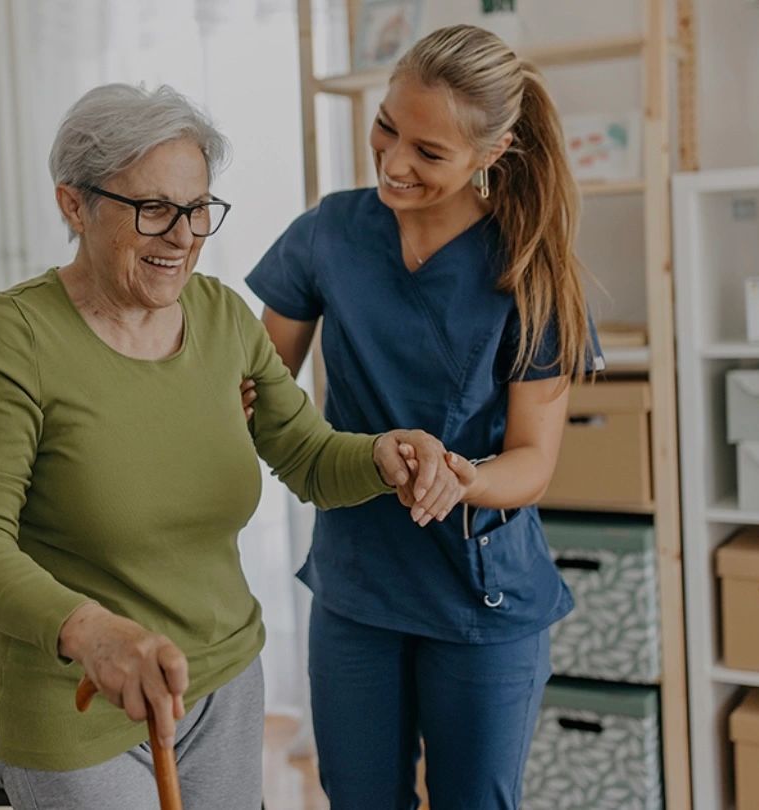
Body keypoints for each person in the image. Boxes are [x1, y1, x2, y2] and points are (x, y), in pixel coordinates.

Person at [0, 83, 464, 810]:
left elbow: (307, 456)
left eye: (197, 209)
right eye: (153, 209)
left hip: (224, 685)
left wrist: (384, 455)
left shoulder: (220, 316)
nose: (182, 236)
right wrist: (90, 633)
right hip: (79, 700)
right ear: (72, 205)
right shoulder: (15, 333)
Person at [244, 24, 604, 810]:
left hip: (481, 597)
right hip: (357, 587)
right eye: (386, 127)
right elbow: (259, 387)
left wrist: (461, 477)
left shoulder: (529, 268)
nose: (394, 162)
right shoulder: (329, 235)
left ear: (493, 151)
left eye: (429, 152)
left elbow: (534, 460)